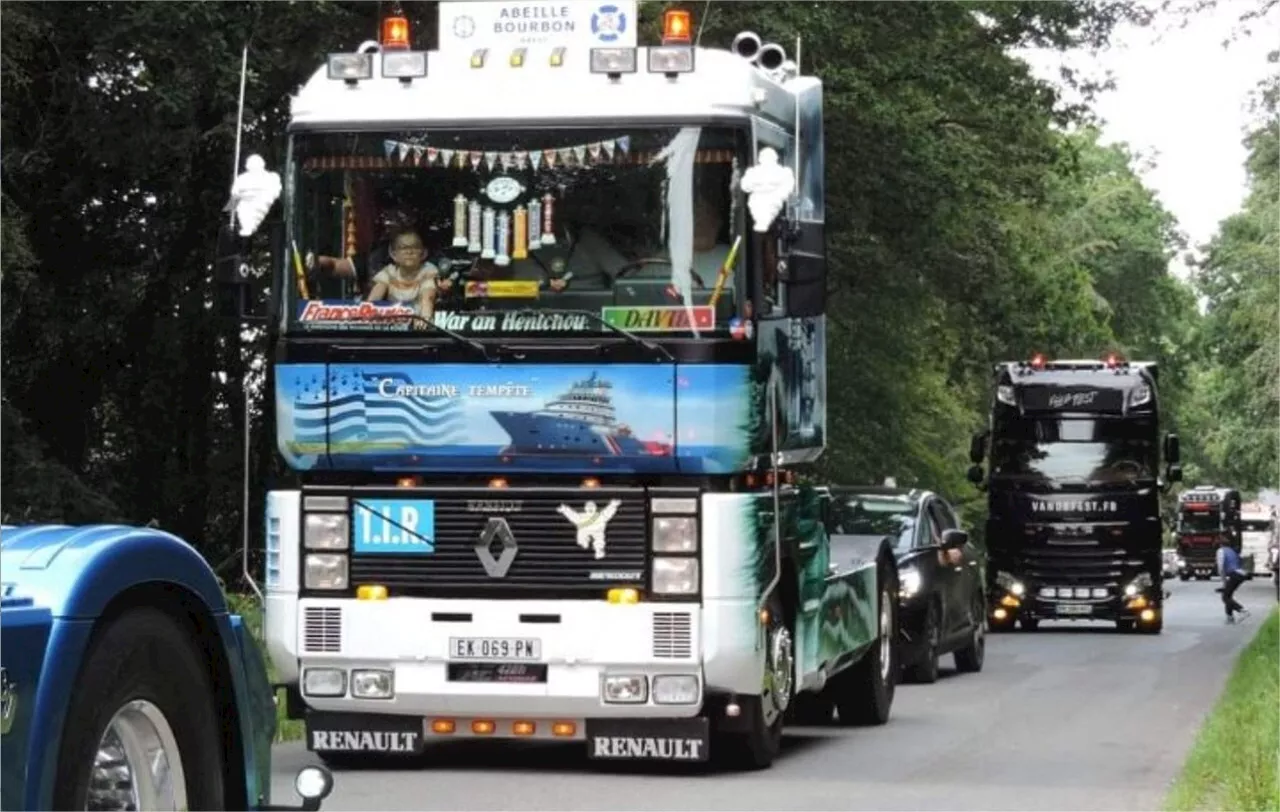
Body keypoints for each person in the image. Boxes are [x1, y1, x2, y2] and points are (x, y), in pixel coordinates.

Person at [1216, 541, 1251, 623]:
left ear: (1220, 545)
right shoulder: (1232, 551)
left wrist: (1223, 581)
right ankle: (1230, 617)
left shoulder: (1220, 551)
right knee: (1228, 595)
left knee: (1225, 597)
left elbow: (1220, 567)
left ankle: (1243, 611)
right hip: (1241, 574)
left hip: (1235, 574)